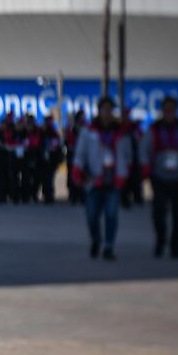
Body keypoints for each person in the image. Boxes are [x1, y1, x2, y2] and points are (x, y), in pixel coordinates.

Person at [71, 97, 132, 261]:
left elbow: (127, 155)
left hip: (113, 181)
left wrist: (125, 173)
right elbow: (80, 154)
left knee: (111, 215)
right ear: (99, 111)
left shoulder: (121, 132)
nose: (107, 113)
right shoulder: (88, 131)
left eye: (109, 110)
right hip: (94, 180)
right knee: (91, 216)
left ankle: (108, 246)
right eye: (104, 109)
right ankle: (96, 239)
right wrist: (76, 172)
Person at [141, 95, 178, 259]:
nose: (169, 113)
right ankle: (161, 240)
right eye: (166, 110)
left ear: (176, 110)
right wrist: (146, 167)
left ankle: (176, 246)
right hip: (159, 177)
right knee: (158, 212)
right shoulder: (154, 129)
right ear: (162, 111)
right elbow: (144, 149)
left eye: (172, 110)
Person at [39, 118, 64, 204]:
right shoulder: (42, 133)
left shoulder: (54, 134)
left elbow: (57, 146)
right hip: (44, 160)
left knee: (49, 178)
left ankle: (49, 195)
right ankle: (46, 194)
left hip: (52, 159)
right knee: (45, 178)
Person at [65, 110, 88, 205]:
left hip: (82, 155)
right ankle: (73, 195)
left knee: (82, 175)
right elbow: (67, 140)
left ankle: (82, 195)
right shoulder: (72, 128)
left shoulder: (85, 128)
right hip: (72, 154)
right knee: (72, 175)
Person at [0, 116, 17, 204]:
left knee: (7, 177)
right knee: (0, 178)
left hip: (7, 158)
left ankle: (8, 194)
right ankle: (0, 196)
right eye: (2, 124)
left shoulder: (10, 132)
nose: (2, 126)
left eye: (4, 124)